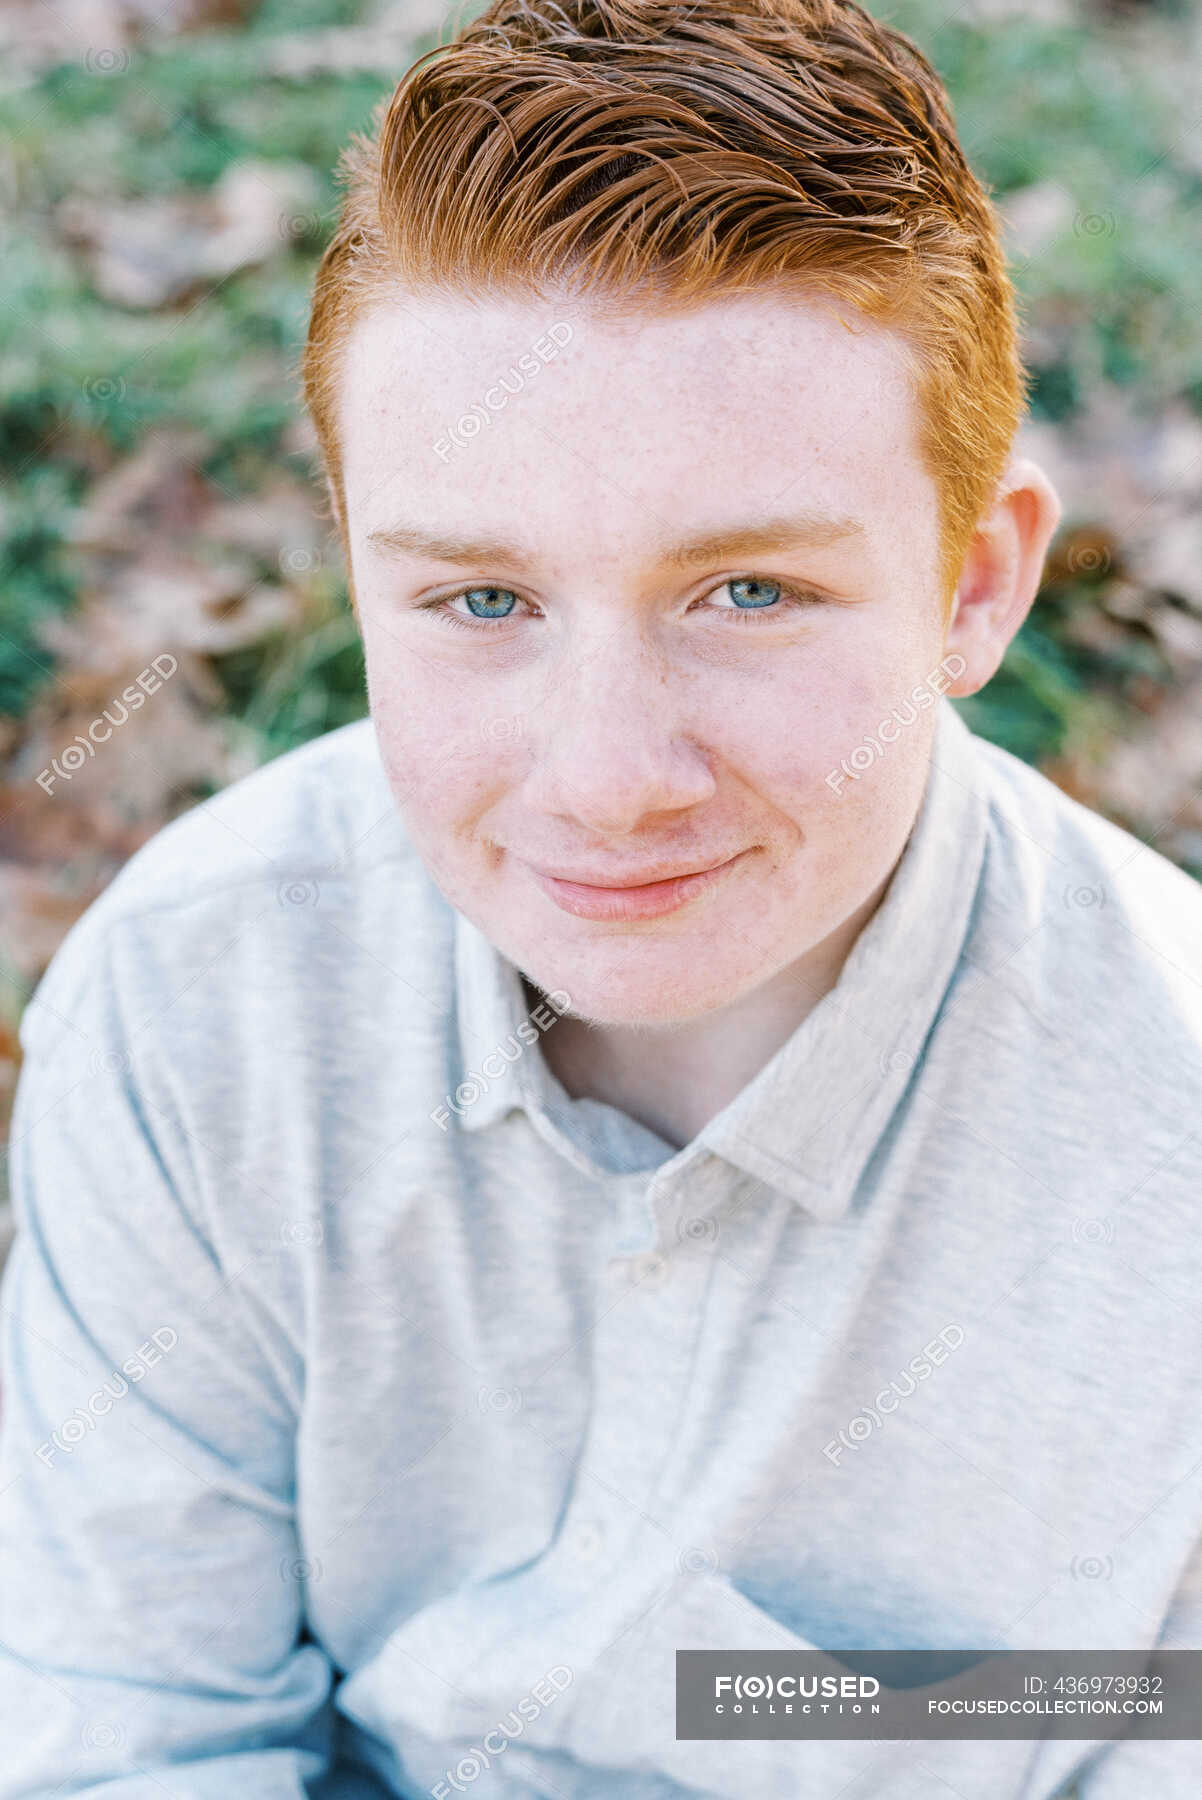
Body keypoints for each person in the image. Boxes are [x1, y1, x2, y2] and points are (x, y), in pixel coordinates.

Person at [1, 0, 1200, 1794]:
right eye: (481, 602)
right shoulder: (199, 1009)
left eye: (748, 595)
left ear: (972, 584)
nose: (606, 777)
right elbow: (132, 1737)